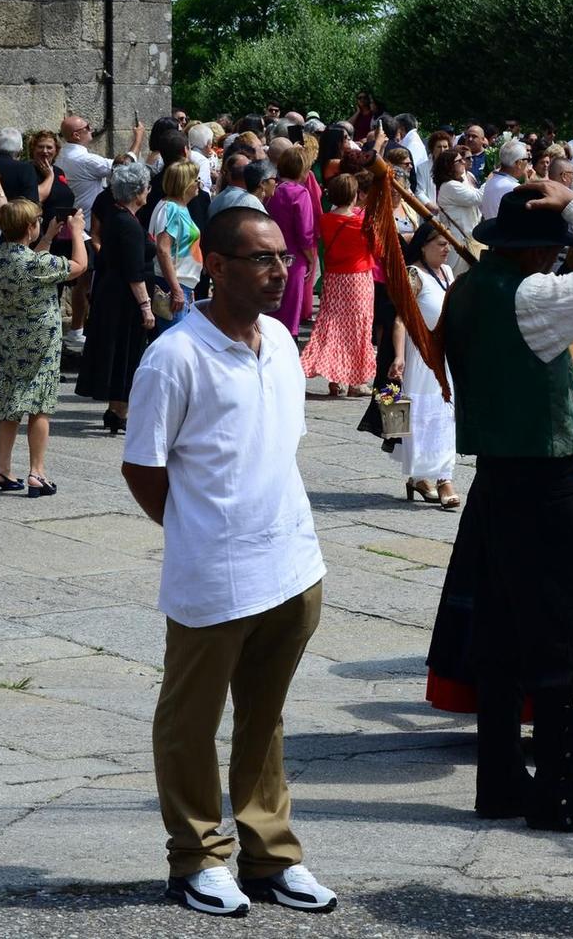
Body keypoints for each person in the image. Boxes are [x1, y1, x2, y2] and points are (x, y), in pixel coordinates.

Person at [122, 207, 336, 918]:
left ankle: (270, 855)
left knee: (265, 717)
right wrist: (197, 529)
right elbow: (144, 468)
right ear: (213, 265)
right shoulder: (175, 356)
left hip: (293, 562)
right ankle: (196, 858)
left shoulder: (278, 338)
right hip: (215, 572)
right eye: (260, 259)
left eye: (283, 257)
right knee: (190, 720)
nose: (280, 272)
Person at [425, 181, 573, 834]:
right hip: (546, 484)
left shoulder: (468, 289)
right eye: (555, 246)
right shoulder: (535, 297)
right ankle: (557, 789)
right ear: (543, 247)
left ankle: (499, 780)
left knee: (498, 637)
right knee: (563, 636)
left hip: (494, 479)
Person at [0, 200, 88, 496]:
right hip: (40, 342)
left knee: (10, 403)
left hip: (10, 339)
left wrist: (46, 239)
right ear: (30, 226)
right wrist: (78, 232)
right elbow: (79, 267)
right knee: (39, 406)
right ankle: (37, 472)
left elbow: (32, 262)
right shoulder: (35, 263)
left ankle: (2, 468)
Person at [77, 162, 155, 436]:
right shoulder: (128, 225)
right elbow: (134, 272)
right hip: (124, 299)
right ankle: (118, 411)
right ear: (136, 192)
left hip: (112, 295)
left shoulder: (120, 219)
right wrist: (146, 306)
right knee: (127, 352)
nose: (148, 191)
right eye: (146, 187)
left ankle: (117, 410)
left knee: (123, 352)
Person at [390, 220, 459, 508]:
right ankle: (435, 478)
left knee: (445, 415)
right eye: (440, 243)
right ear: (424, 245)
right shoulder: (414, 274)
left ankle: (438, 475)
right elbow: (400, 319)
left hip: (445, 355)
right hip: (420, 356)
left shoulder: (447, 271)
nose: (447, 248)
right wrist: (399, 356)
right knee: (424, 414)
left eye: (447, 243)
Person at [297, 173, 373, 400]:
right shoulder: (362, 221)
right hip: (358, 278)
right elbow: (377, 248)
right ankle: (356, 381)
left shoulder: (325, 220)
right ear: (354, 194)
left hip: (333, 278)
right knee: (358, 328)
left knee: (334, 326)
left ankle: (335, 379)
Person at [266, 148, 319, 336]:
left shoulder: (272, 190)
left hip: (271, 255)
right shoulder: (299, 193)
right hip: (294, 258)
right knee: (290, 311)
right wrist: (311, 259)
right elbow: (305, 233)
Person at [148, 160, 202, 336]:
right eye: (196, 179)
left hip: (181, 282)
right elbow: (163, 250)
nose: (199, 183)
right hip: (173, 284)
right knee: (174, 337)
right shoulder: (171, 209)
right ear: (185, 183)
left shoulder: (177, 207)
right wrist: (177, 289)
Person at [481, 138, 531, 220]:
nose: (528, 163)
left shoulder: (491, 181)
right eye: (527, 159)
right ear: (519, 163)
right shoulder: (513, 188)